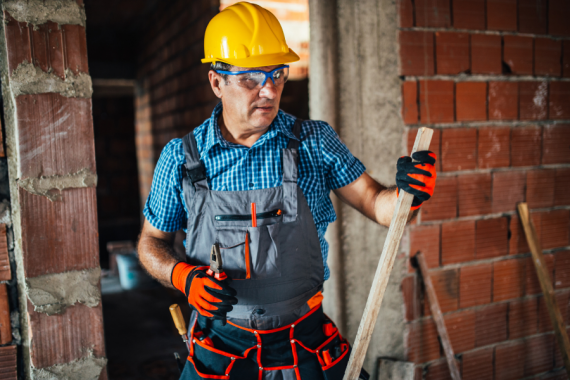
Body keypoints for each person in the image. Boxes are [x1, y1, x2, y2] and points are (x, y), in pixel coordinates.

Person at [137, 2, 437, 379]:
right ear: (217, 82)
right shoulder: (181, 159)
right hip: (222, 344)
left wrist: (410, 193)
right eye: (251, 78)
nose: (268, 90)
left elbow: (380, 205)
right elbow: (151, 242)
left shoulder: (315, 141)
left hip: (306, 339)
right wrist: (183, 276)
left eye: (277, 74)